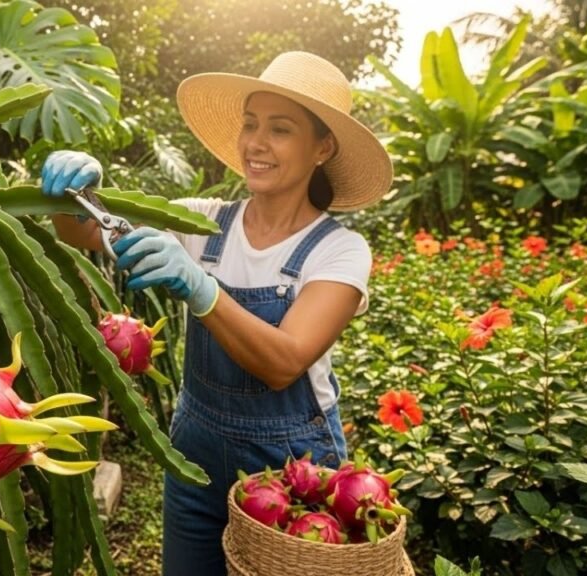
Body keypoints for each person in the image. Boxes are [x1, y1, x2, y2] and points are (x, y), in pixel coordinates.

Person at [39, 51, 393, 576]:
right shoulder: (200, 222)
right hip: (196, 451)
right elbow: (87, 232)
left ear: (322, 148)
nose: (256, 142)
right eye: (250, 124)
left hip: (292, 466)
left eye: (280, 129)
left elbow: (284, 362)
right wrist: (69, 196)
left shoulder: (338, 251)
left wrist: (202, 289)